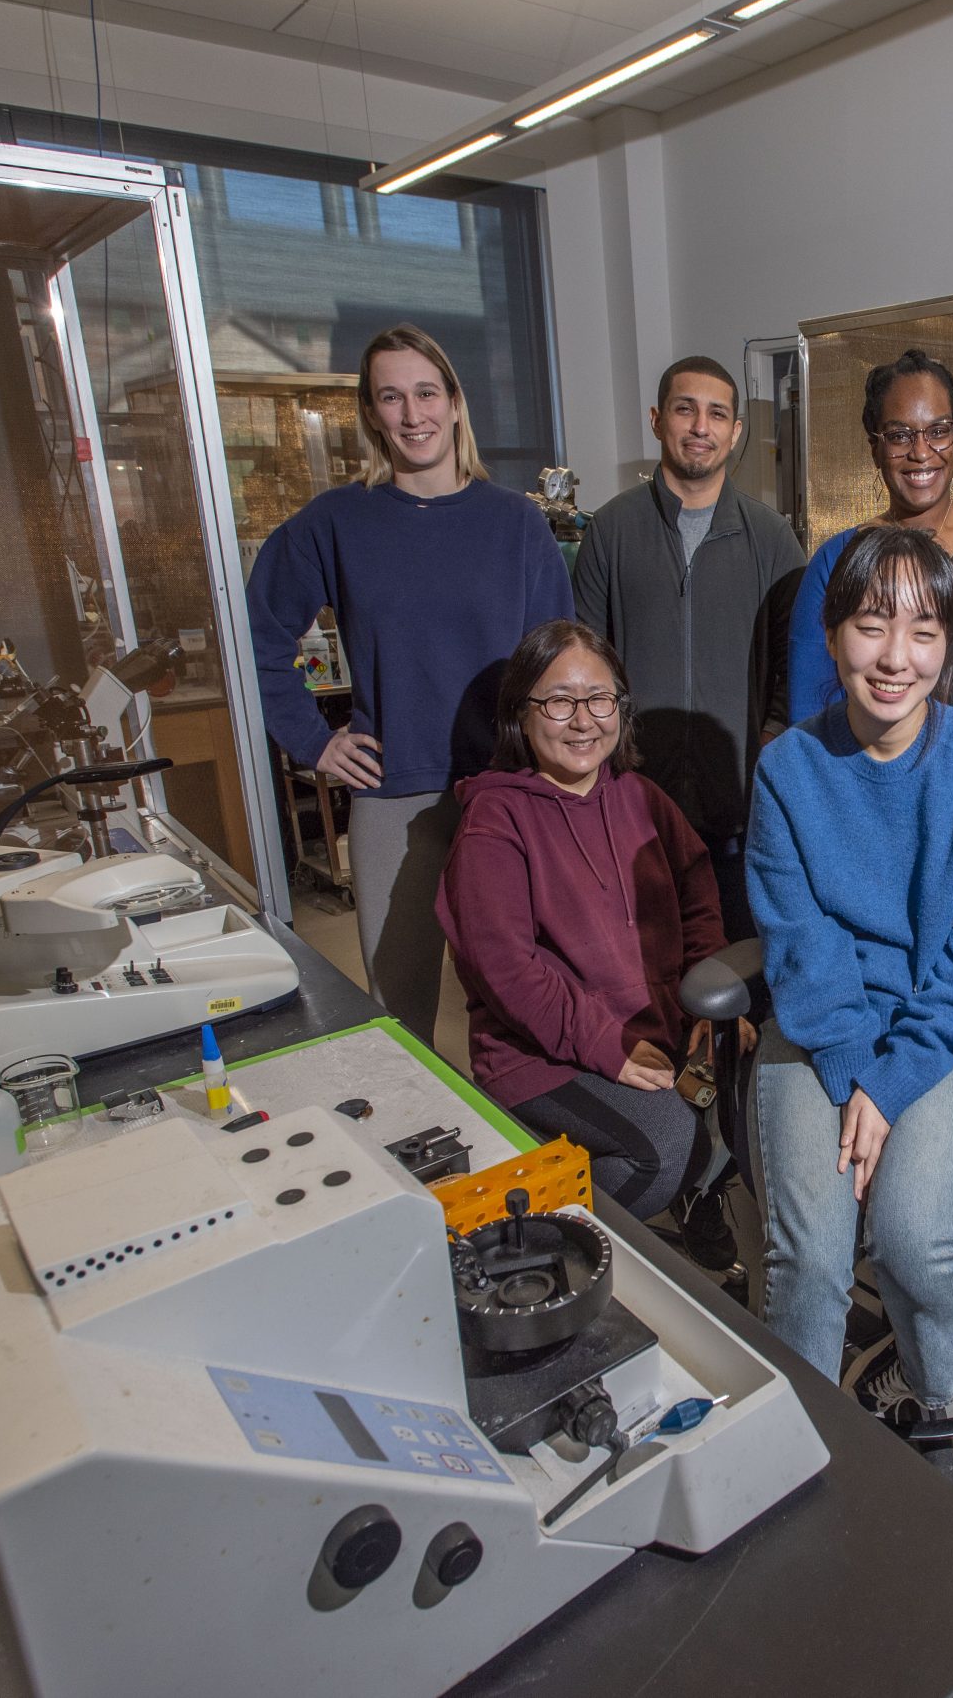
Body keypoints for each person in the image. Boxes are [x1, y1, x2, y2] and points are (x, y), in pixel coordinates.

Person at [747, 525, 953, 1423]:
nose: (894, 657)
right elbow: (797, 941)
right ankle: (805, 1437)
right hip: (819, 1027)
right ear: (833, 635)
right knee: (810, 1257)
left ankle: (929, 1390)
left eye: (922, 631)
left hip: (941, 1036)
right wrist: (850, 1065)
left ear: (948, 644)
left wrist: (891, 1079)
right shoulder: (788, 769)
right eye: (871, 625)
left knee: (916, 1239)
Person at [246, 322, 572, 1042]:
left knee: (525, 1005)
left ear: (455, 403)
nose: (412, 413)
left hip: (508, 792)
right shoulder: (337, 523)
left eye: (426, 392)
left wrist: (562, 785)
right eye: (391, 397)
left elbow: (561, 665)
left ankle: (523, 1149)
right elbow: (256, 636)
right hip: (394, 798)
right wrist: (311, 739)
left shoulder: (516, 521)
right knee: (399, 1014)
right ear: (370, 414)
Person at [437, 621, 722, 1219]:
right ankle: (535, 1256)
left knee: (753, 1100)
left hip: (652, 1030)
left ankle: (688, 1208)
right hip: (542, 1055)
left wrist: (706, 998)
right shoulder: (496, 818)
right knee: (666, 1146)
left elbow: (697, 891)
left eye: (599, 699)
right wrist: (605, 1045)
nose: (584, 720)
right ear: (522, 711)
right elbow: (505, 967)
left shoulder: (641, 797)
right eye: (560, 701)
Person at [572, 356, 807, 937]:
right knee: (637, 962)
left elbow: (798, 661)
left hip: (737, 803)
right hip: (628, 800)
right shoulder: (611, 530)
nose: (701, 426)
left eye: (717, 413)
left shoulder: (772, 538)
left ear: (735, 431)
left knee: (733, 970)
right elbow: (580, 661)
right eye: (686, 408)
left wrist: (770, 738)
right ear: (656, 420)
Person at [784, 349, 953, 747]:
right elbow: (810, 703)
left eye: (938, 430)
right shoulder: (836, 561)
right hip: (872, 784)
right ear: (875, 449)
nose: (921, 452)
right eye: (900, 435)